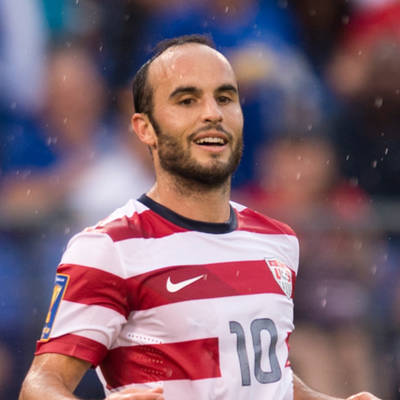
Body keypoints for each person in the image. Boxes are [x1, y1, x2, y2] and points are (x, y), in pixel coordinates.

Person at [19, 34, 381, 400]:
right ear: (145, 128)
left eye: (225, 98)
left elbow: (267, 379)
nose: (212, 113)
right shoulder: (108, 248)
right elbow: (40, 386)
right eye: (187, 100)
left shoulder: (279, 239)